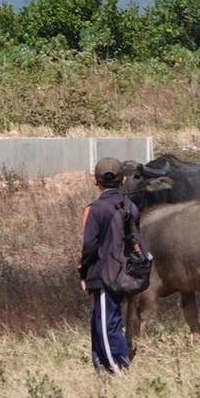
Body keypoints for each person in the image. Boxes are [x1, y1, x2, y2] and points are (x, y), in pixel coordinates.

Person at [78, 157, 143, 375]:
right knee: (105, 319)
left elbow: (89, 245)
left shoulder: (95, 209)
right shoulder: (131, 207)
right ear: (123, 180)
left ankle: (119, 369)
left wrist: (84, 272)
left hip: (103, 275)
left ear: (94, 181)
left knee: (107, 325)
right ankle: (100, 367)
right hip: (124, 273)